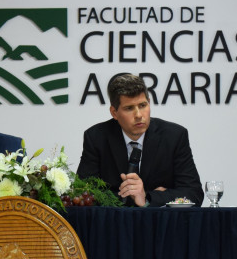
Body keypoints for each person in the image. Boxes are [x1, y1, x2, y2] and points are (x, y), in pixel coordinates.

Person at [76, 73, 203, 207]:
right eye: (129, 108)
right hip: (114, 224)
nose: (138, 115)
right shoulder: (96, 138)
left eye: (142, 105)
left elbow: (193, 194)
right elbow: (83, 194)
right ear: (114, 112)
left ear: (149, 103)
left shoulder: (174, 137)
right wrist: (132, 197)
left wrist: (147, 197)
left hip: (161, 225)